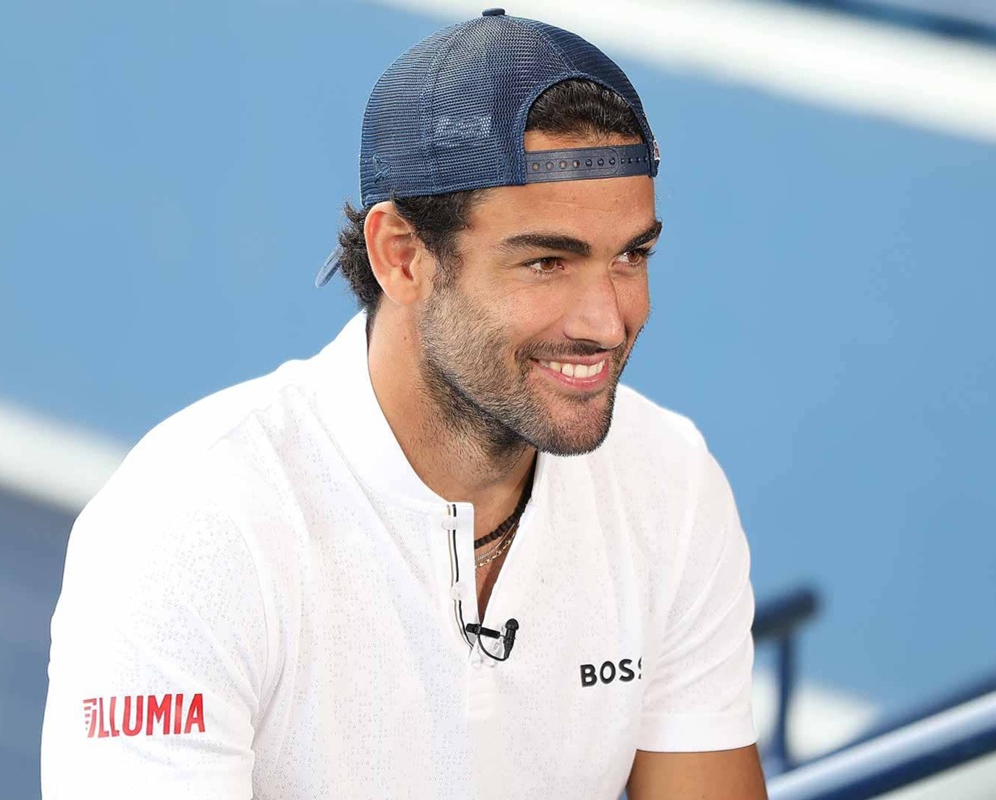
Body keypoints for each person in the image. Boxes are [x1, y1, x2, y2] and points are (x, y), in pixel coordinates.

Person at [41, 9, 766, 799]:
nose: (607, 320)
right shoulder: (187, 526)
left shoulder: (673, 486)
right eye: (548, 262)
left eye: (632, 255)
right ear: (402, 256)